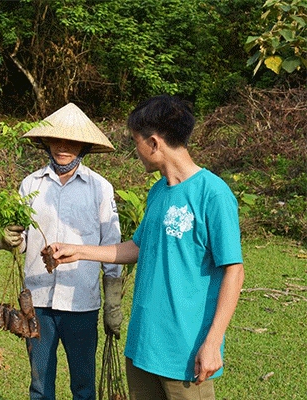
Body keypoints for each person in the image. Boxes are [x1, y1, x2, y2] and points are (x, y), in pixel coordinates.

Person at [49, 95, 245, 400]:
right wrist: (79, 250)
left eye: (135, 142)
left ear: (153, 143)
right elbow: (137, 248)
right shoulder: (158, 192)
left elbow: (234, 271)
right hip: (143, 345)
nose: (135, 150)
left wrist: (213, 342)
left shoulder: (213, 194)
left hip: (184, 352)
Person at [0, 103, 122, 400]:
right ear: (46, 142)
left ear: (84, 146)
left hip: (81, 300)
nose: (63, 147)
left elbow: (112, 244)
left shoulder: (99, 188)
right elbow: (22, 236)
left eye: (71, 141)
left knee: (83, 384)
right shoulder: (30, 184)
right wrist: (9, 238)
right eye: (57, 140)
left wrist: (113, 303)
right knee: (40, 385)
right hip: (37, 300)